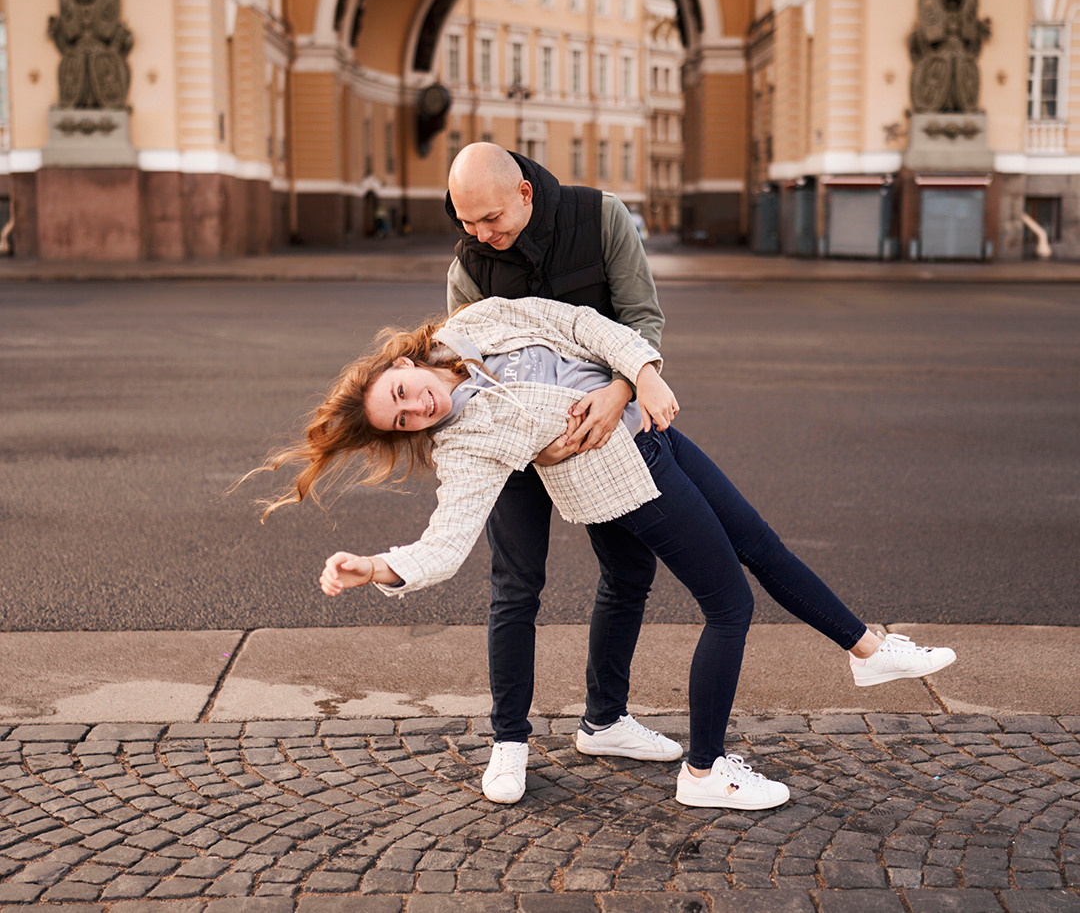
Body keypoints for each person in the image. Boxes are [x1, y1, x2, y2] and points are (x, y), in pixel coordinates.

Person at [256, 295, 957, 811]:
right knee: (729, 604)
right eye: (402, 420)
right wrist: (375, 567)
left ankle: (867, 650)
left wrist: (641, 372)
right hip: (627, 479)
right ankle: (707, 773)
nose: (417, 409)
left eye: (403, 393)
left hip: (651, 431)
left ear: (404, 364)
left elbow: (578, 324)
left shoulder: (473, 327)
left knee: (760, 545)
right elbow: (445, 544)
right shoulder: (466, 444)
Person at [445, 142, 675, 803]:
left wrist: (621, 395)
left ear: (525, 193)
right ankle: (509, 742)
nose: (481, 235)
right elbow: (465, 378)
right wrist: (523, 444)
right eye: (467, 223)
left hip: (603, 424)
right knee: (515, 584)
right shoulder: (468, 264)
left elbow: (641, 321)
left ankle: (605, 720)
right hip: (521, 443)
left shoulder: (601, 219)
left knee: (630, 569)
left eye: (491, 219)